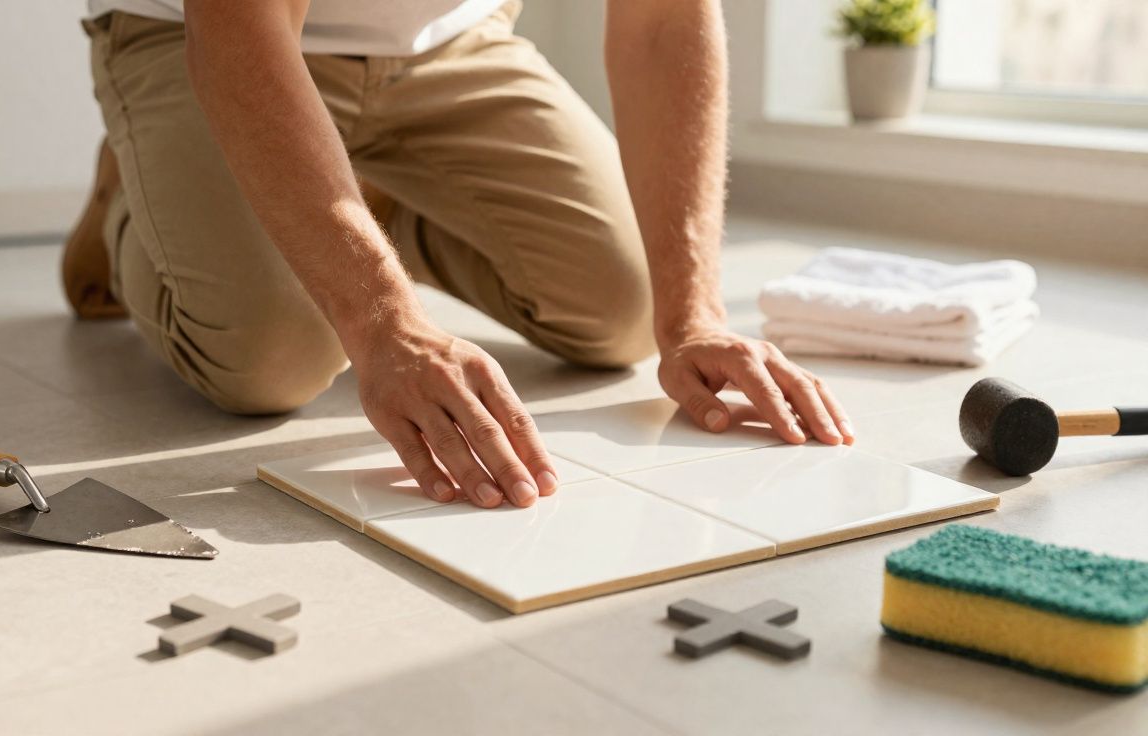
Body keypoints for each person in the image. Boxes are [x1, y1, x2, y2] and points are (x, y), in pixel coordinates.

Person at [63, 0, 855, 512]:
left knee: (626, 312)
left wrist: (694, 314)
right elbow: (240, 29)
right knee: (272, 357)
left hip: (449, 43)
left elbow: (662, 20)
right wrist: (382, 320)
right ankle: (135, 190)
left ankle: (351, 203)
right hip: (202, 32)